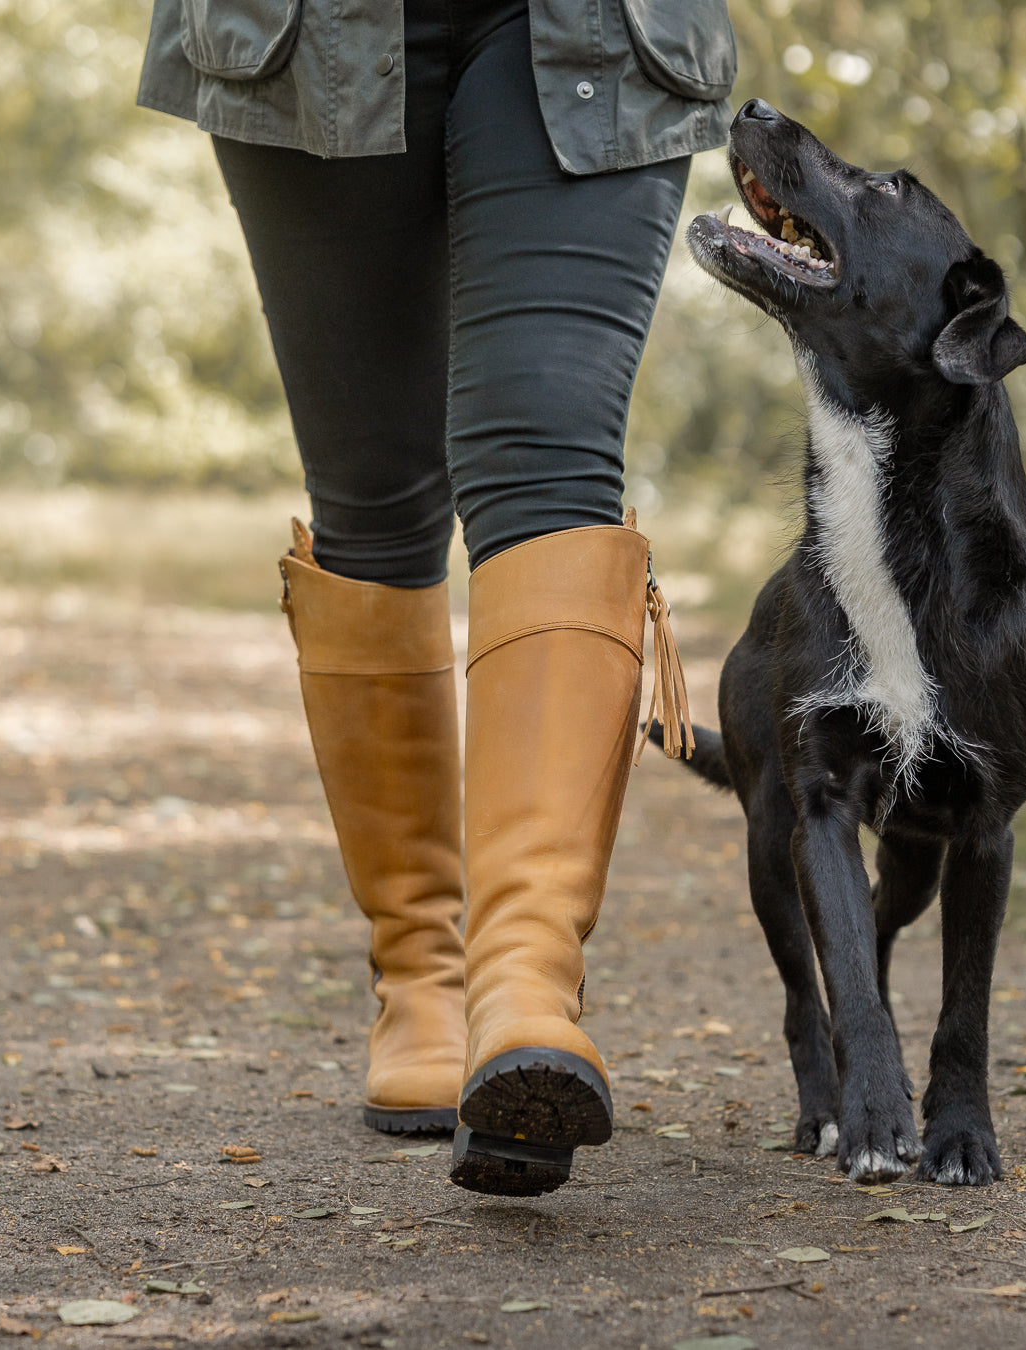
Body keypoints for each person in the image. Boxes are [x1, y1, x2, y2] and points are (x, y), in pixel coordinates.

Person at [137, 0, 736, 1196]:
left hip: (595, 25)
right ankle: (424, 975)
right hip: (306, 26)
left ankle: (522, 983)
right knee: (371, 493)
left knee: (554, 459)